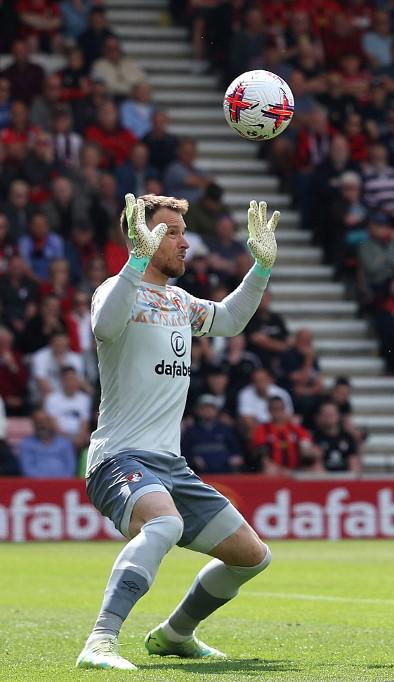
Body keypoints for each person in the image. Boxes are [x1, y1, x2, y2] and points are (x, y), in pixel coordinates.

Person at [76, 193, 280, 669]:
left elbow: (228, 321)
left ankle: (175, 635)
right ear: (141, 235)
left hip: (171, 464)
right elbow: (105, 328)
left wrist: (261, 270)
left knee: (252, 556)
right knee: (164, 524)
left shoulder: (178, 301)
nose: (184, 243)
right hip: (118, 457)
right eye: (171, 232)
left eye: (183, 232)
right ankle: (100, 642)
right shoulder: (114, 289)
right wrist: (136, 260)